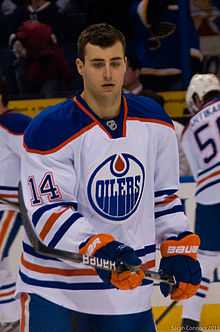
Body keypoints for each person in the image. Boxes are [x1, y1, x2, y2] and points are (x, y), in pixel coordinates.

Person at [18, 23, 201, 332]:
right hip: (58, 291)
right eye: (98, 64)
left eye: (115, 63)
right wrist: (99, 249)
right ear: (80, 66)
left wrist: (177, 247)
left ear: (125, 64)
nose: (108, 74)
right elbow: (47, 212)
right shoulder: (49, 129)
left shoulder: (156, 122)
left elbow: (165, 198)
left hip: (130, 291)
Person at [181, 73, 220, 331]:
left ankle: (189, 322)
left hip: (210, 193)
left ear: (196, 98)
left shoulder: (188, 130)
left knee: (204, 262)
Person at [0, 78, 31, 331]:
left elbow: (37, 161)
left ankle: (11, 319)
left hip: (9, 206)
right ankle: (9, 317)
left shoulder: (15, 123)